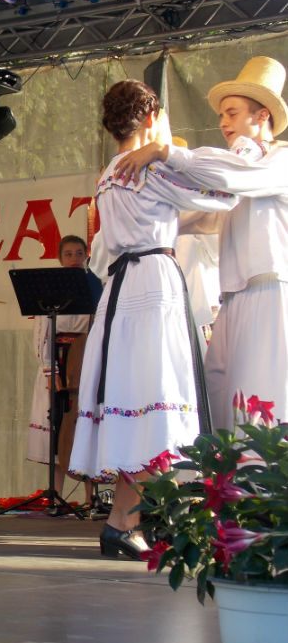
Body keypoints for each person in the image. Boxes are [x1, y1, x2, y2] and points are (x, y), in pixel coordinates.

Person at [68, 80, 238, 560]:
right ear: (150, 117)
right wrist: (167, 151)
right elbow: (222, 195)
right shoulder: (150, 167)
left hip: (123, 288)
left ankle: (129, 520)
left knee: (141, 401)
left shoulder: (108, 174)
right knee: (156, 398)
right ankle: (132, 520)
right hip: (151, 282)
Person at [113, 56, 288, 430]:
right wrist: (133, 211)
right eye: (222, 115)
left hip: (271, 292)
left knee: (259, 400)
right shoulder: (236, 170)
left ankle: (261, 470)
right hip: (233, 298)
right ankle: (221, 469)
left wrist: (166, 151)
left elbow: (233, 176)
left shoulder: (278, 160)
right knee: (216, 392)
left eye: (232, 113)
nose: (223, 122)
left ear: (262, 116)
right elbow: (196, 212)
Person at [26, 236, 99, 511]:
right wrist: (49, 369)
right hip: (57, 359)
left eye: (79, 253)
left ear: (87, 255)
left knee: (85, 425)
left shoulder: (94, 286)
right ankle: (56, 494)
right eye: (68, 254)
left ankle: (91, 497)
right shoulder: (52, 288)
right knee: (57, 427)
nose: (74, 258)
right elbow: (42, 330)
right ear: (59, 258)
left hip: (83, 359)